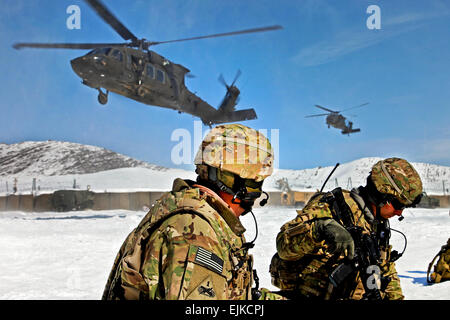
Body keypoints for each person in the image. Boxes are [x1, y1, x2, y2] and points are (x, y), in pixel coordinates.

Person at [102, 124, 283, 300]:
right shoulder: (195, 233)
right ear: (229, 181)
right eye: (254, 185)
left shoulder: (194, 213)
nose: (254, 196)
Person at [270, 157, 423, 300]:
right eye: (397, 205)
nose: (399, 212)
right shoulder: (334, 207)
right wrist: (319, 229)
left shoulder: (377, 224)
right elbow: (283, 245)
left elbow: (386, 268)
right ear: (380, 196)